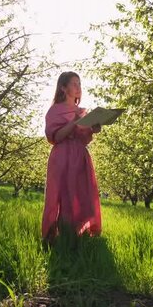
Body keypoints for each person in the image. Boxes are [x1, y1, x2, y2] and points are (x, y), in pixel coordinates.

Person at [42, 71, 102, 243]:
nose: (78, 88)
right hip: (62, 157)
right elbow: (56, 137)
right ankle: (54, 236)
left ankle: (81, 235)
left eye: (80, 84)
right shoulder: (54, 111)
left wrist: (93, 129)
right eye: (74, 84)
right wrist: (74, 121)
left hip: (80, 156)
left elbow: (83, 139)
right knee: (60, 195)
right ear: (63, 88)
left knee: (82, 195)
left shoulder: (83, 112)